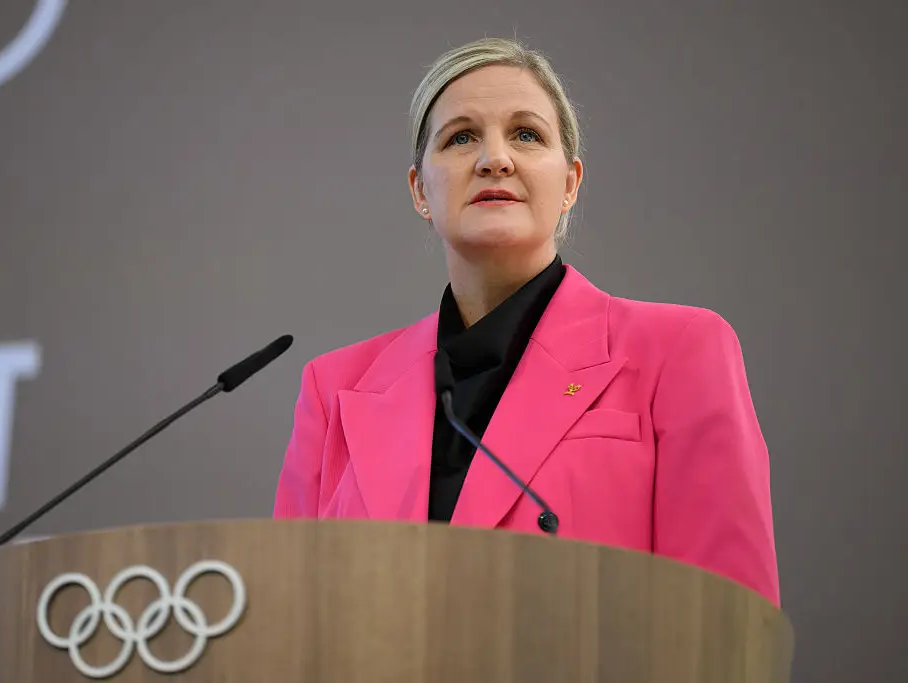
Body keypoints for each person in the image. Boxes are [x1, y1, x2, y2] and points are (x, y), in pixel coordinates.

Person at [272, 37, 780, 607]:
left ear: (569, 183)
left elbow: (731, 619)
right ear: (420, 190)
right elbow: (294, 625)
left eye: (527, 134)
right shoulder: (333, 388)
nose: (495, 158)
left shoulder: (681, 350)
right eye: (461, 137)